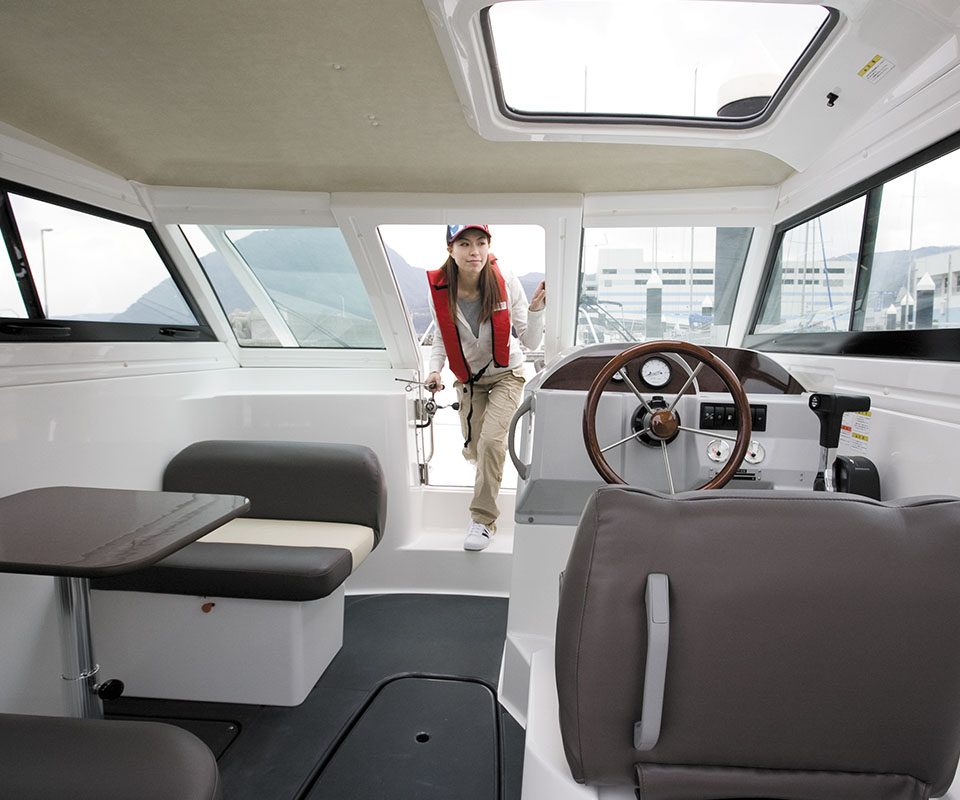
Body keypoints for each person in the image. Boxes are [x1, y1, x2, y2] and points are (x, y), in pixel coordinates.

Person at [426, 224, 546, 551]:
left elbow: (531, 340)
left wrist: (536, 311)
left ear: (488, 246)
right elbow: (441, 336)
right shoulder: (440, 289)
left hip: (508, 374)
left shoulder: (504, 279)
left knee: (493, 443)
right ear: (450, 249)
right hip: (470, 379)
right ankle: (486, 472)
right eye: (464, 244)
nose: (474, 251)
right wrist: (435, 369)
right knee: (475, 450)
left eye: (481, 243)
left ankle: (482, 521)